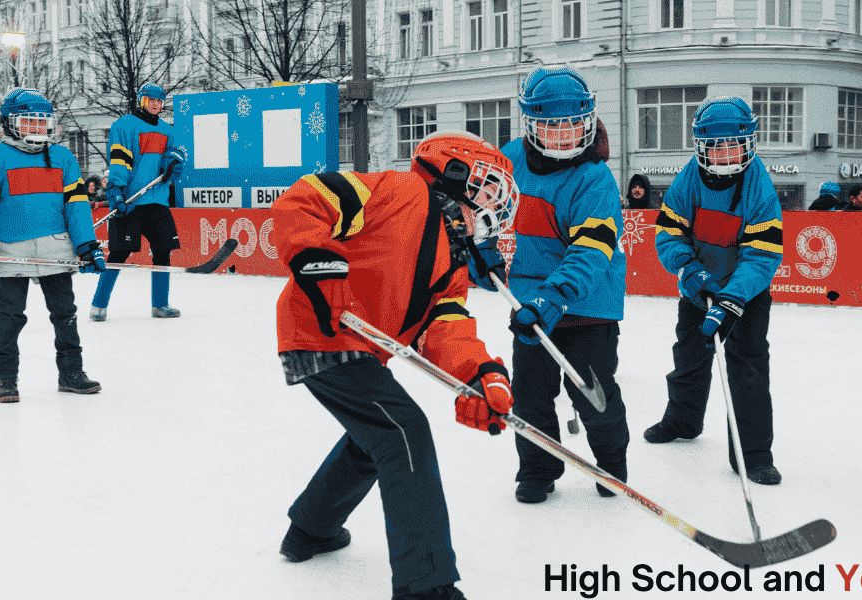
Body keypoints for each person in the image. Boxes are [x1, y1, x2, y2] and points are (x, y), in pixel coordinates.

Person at [271, 130, 518, 600]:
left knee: (376, 437)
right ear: (454, 173)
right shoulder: (398, 192)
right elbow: (306, 198)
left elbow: (445, 326)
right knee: (403, 432)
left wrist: (480, 374)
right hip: (320, 330)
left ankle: (312, 529)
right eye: (487, 190)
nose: (492, 205)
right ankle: (424, 586)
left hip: (360, 348)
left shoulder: (454, 261)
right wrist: (317, 260)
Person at [501, 66, 630, 504]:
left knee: (592, 393)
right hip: (530, 304)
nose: (562, 135)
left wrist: (553, 296)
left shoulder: (595, 179)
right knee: (530, 396)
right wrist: (479, 252)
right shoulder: (509, 161)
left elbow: (591, 251)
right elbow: (484, 217)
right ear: (530, 124)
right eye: (550, 125)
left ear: (588, 120)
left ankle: (612, 464)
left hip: (587, 300)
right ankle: (537, 468)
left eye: (573, 124)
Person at [643, 96, 785, 485]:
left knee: (748, 369)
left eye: (734, 145)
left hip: (745, 297)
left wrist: (733, 297)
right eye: (716, 146)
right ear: (701, 146)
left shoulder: (760, 187)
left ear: (749, 143)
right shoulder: (688, 178)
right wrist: (689, 272)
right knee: (688, 357)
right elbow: (670, 232)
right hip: (699, 290)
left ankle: (754, 455)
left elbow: (762, 255)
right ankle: (682, 421)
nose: (725, 154)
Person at [0, 88, 107, 403]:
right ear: (11, 123)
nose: (37, 128)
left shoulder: (63, 157)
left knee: (65, 314)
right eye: (29, 122)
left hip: (57, 249)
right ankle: (6, 379)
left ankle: (71, 374)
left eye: (42, 122)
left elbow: (76, 206)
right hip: (12, 252)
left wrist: (86, 245)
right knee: (10, 316)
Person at [89, 83, 187, 321]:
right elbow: (119, 161)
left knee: (163, 252)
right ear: (141, 100)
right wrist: (116, 193)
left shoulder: (167, 130)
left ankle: (160, 304)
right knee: (119, 255)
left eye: (159, 101)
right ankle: (98, 306)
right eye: (150, 100)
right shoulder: (124, 125)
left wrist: (174, 162)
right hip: (130, 201)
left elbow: (177, 156)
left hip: (157, 200)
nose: (155, 105)